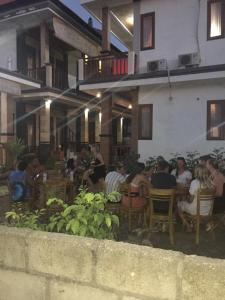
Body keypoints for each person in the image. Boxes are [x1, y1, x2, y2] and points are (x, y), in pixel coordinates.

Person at [178, 166, 214, 231]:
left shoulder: (195, 182)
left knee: (179, 204)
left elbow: (191, 200)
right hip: (207, 212)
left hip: (196, 211)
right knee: (186, 203)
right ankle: (193, 223)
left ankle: (188, 226)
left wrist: (186, 199)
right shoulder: (211, 183)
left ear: (197, 173)